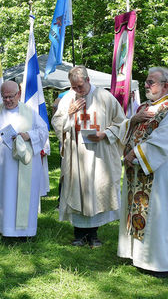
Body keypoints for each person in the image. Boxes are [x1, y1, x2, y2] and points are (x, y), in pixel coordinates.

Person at [100, 67, 168, 277]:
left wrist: (134, 154)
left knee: (159, 214)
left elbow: (163, 140)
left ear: (165, 85)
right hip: (136, 172)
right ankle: (139, 257)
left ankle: (161, 263)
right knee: (137, 211)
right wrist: (133, 121)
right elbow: (130, 128)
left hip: (160, 174)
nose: (147, 85)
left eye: (151, 82)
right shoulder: (144, 107)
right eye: (146, 82)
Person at [52, 66, 125, 248]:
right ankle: (78, 234)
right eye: (74, 87)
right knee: (77, 190)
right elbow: (57, 122)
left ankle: (93, 235)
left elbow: (121, 122)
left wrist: (105, 134)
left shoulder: (105, 97)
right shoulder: (68, 98)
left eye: (80, 86)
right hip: (76, 154)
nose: (77, 91)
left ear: (88, 80)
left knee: (95, 190)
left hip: (99, 155)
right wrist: (69, 113)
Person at [0, 81, 48, 237]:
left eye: (10, 97)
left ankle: (23, 233)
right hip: (0, 165)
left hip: (21, 164)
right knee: (1, 194)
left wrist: (29, 135)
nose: (7, 100)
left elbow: (43, 131)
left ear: (19, 94)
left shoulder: (29, 112)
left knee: (19, 196)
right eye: (4, 97)